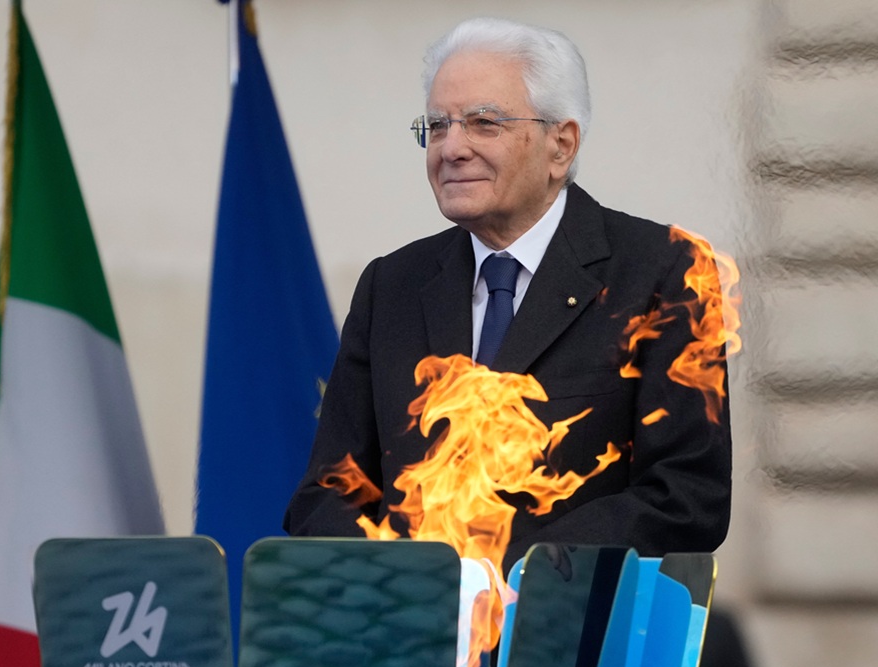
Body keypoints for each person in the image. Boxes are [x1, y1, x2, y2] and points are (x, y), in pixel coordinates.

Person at [283, 17, 731, 569]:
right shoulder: (391, 285)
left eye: (483, 123)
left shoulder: (662, 272)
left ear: (561, 145)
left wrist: (507, 574)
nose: (451, 148)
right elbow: (328, 492)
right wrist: (400, 583)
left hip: (566, 613)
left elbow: (687, 496)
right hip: (411, 615)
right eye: (437, 126)